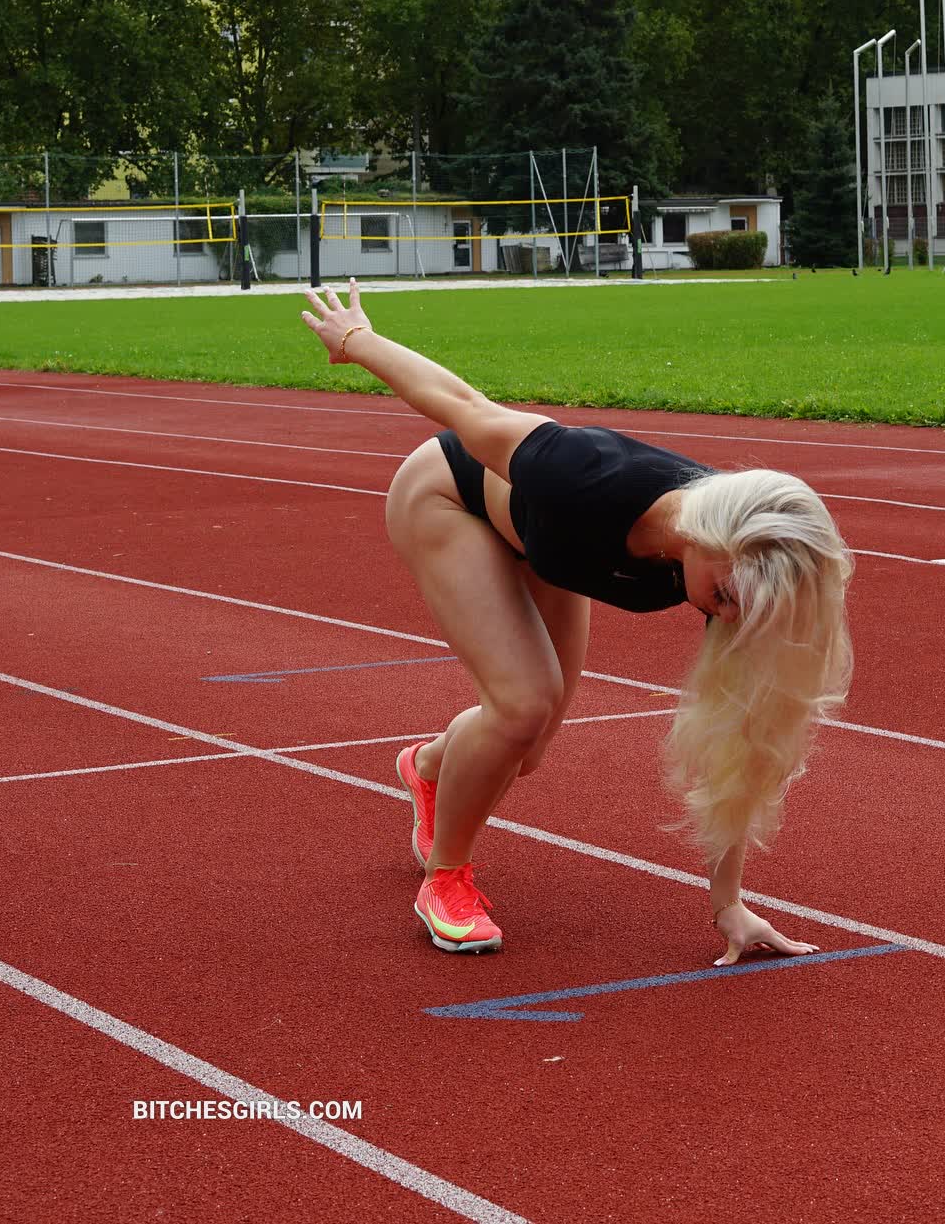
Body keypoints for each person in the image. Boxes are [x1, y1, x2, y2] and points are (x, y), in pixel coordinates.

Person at [300, 278, 853, 964]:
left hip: (550, 547)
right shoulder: (585, 475)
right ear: (715, 539)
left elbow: (742, 741)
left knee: (525, 749)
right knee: (522, 704)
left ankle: (431, 767)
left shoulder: (738, 576)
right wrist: (356, 340)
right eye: (730, 596)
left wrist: (728, 904)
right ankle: (445, 879)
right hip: (450, 496)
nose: (730, 615)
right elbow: (462, 405)